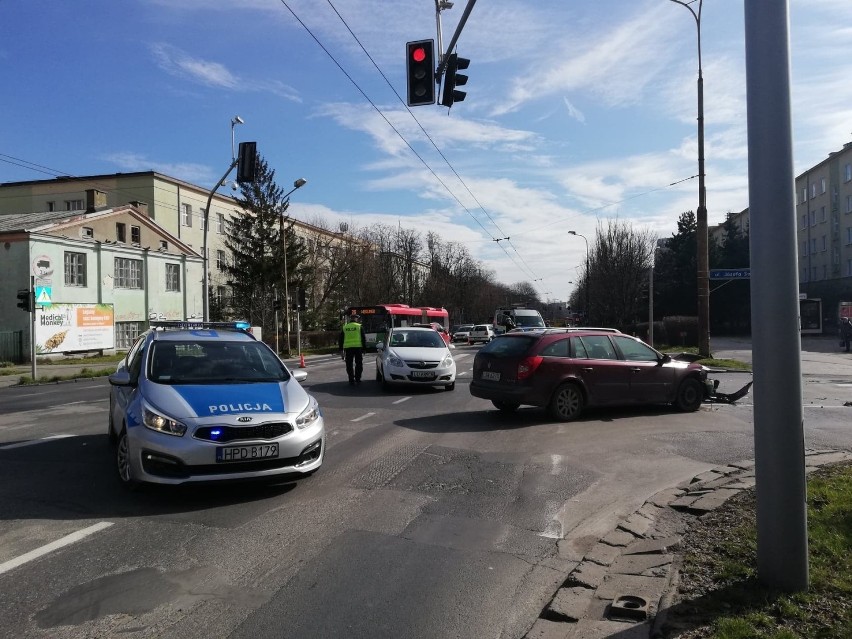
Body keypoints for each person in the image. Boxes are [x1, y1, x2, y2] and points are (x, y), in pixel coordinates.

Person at [339, 314, 367, 384]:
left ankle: (351, 379)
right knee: (359, 364)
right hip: (358, 348)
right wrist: (364, 349)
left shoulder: (345, 327)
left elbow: (341, 339)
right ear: (356, 319)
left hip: (348, 348)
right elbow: (363, 338)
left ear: (350, 319)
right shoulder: (359, 326)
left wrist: (341, 350)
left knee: (349, 364)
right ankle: (358, 378)